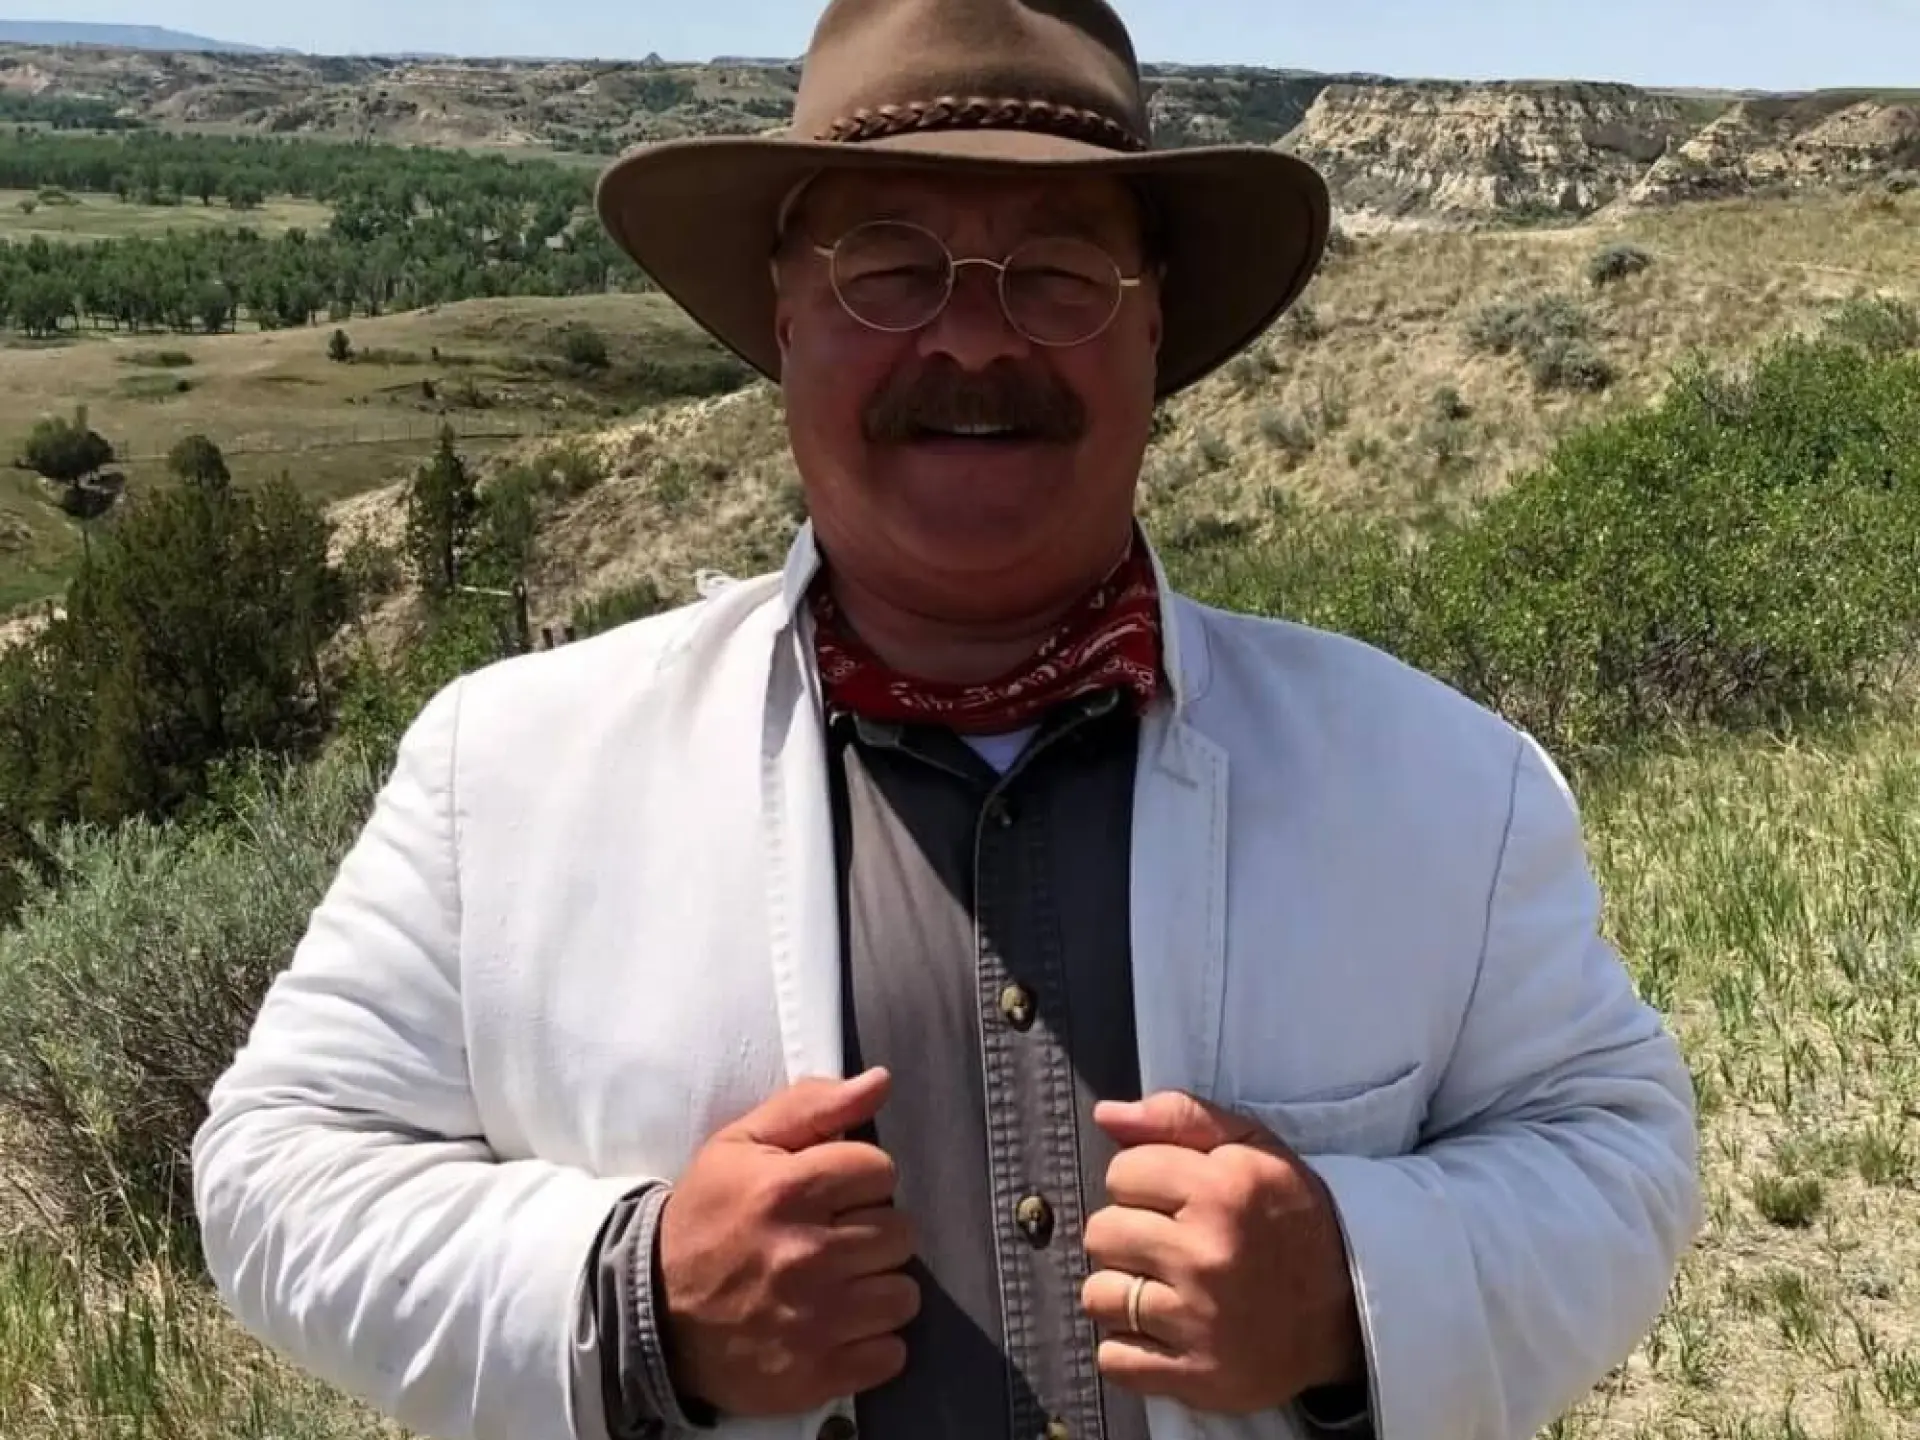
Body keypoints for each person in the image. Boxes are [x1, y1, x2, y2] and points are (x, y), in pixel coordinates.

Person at [191, 1, 1702, 1438]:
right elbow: (272, 1176)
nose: (974, 345)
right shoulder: (502, 771)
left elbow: (1617, 1149)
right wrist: (629, 1299)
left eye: (1056, 271)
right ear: (784, 316)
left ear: (1153, 330)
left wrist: (1356, 1283)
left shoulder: (1443, 780)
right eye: (888, 268)